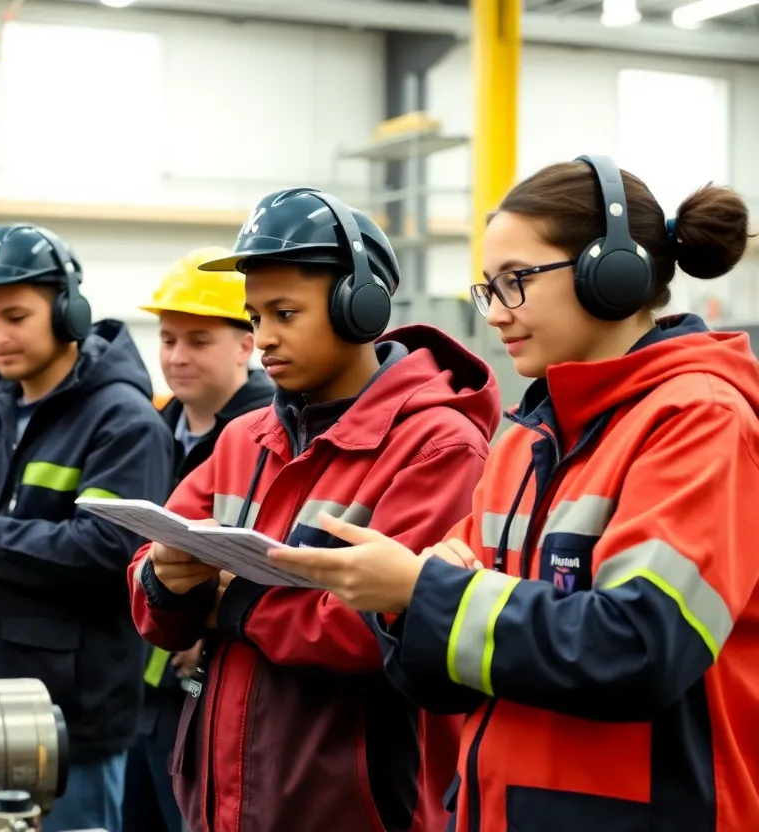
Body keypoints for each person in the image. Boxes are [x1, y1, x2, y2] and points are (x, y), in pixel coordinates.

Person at [266, 158, 759, 831]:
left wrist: (423, 591)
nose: (496, 313)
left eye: (517, 282)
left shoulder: (700, 420)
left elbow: (641, 647)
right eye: (488, 289)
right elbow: (440, 680)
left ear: (611, 272)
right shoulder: (524, 444)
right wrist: (402, 609)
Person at [127, 188, 501, 832]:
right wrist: (165, 577)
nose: (264, 338)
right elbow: (150, 591)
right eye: (254, 317)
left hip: (349, 805)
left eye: (285, 313)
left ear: (362, 307)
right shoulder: (244, 439)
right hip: (222, 802)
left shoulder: (436, 445)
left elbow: (379, 627)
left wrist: (231, 602)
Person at [0, 224, 174, 832]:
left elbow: (112, 550)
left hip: (65, 721)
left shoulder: (122, 422)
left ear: (69, 311)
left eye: (15, 316)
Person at [124, 247, 275, 832]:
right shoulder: (158, 430)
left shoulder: (268, 439)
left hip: (217, 688)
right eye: (167, 339)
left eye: (198, 340)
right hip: (149, 681)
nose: (177, 357)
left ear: (246, 343)